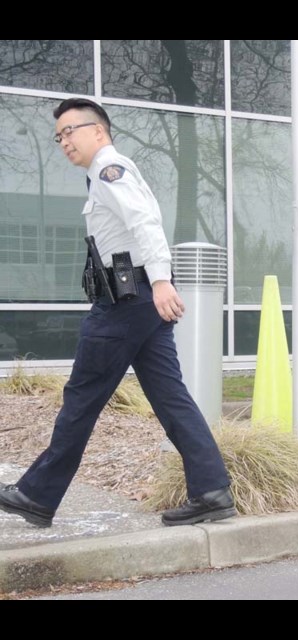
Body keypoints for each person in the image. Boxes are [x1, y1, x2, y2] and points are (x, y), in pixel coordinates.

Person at [0, 97, 235, 529]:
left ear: (98, 131)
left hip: (124, 302)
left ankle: (36, 494)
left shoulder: (111, 170)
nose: (63, 142)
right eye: (58, 137)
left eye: (70, 131)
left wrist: (162, 280)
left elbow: (145, 222)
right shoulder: (103, 175)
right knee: (170, 397)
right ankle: (211, 491)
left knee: (82, 396)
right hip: (138, 300)